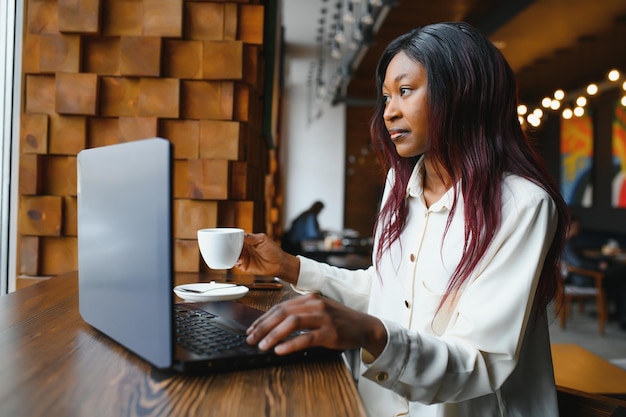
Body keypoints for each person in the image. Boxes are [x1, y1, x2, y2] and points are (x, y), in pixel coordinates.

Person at [236, 22, 569, 416]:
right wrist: (290, 267)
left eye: (405, 91)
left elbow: (481, 361)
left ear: (461, 91)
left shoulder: (523, 205)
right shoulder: (402, 181)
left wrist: (369, 331)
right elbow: (387, 290)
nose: (389, 111)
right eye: (386, 97)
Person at [562, 214, 626, 330]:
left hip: (583, 275)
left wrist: (601, 260)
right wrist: (599, 267)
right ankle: (621, 317)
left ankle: (619, 314)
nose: (579, 229)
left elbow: (583, 260)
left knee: (619, 277)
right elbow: (579, 264)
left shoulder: (569, 242)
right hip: (582, 278)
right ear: (569, 226)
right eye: (577, 226)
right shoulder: (567, 244)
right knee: (621, 275)